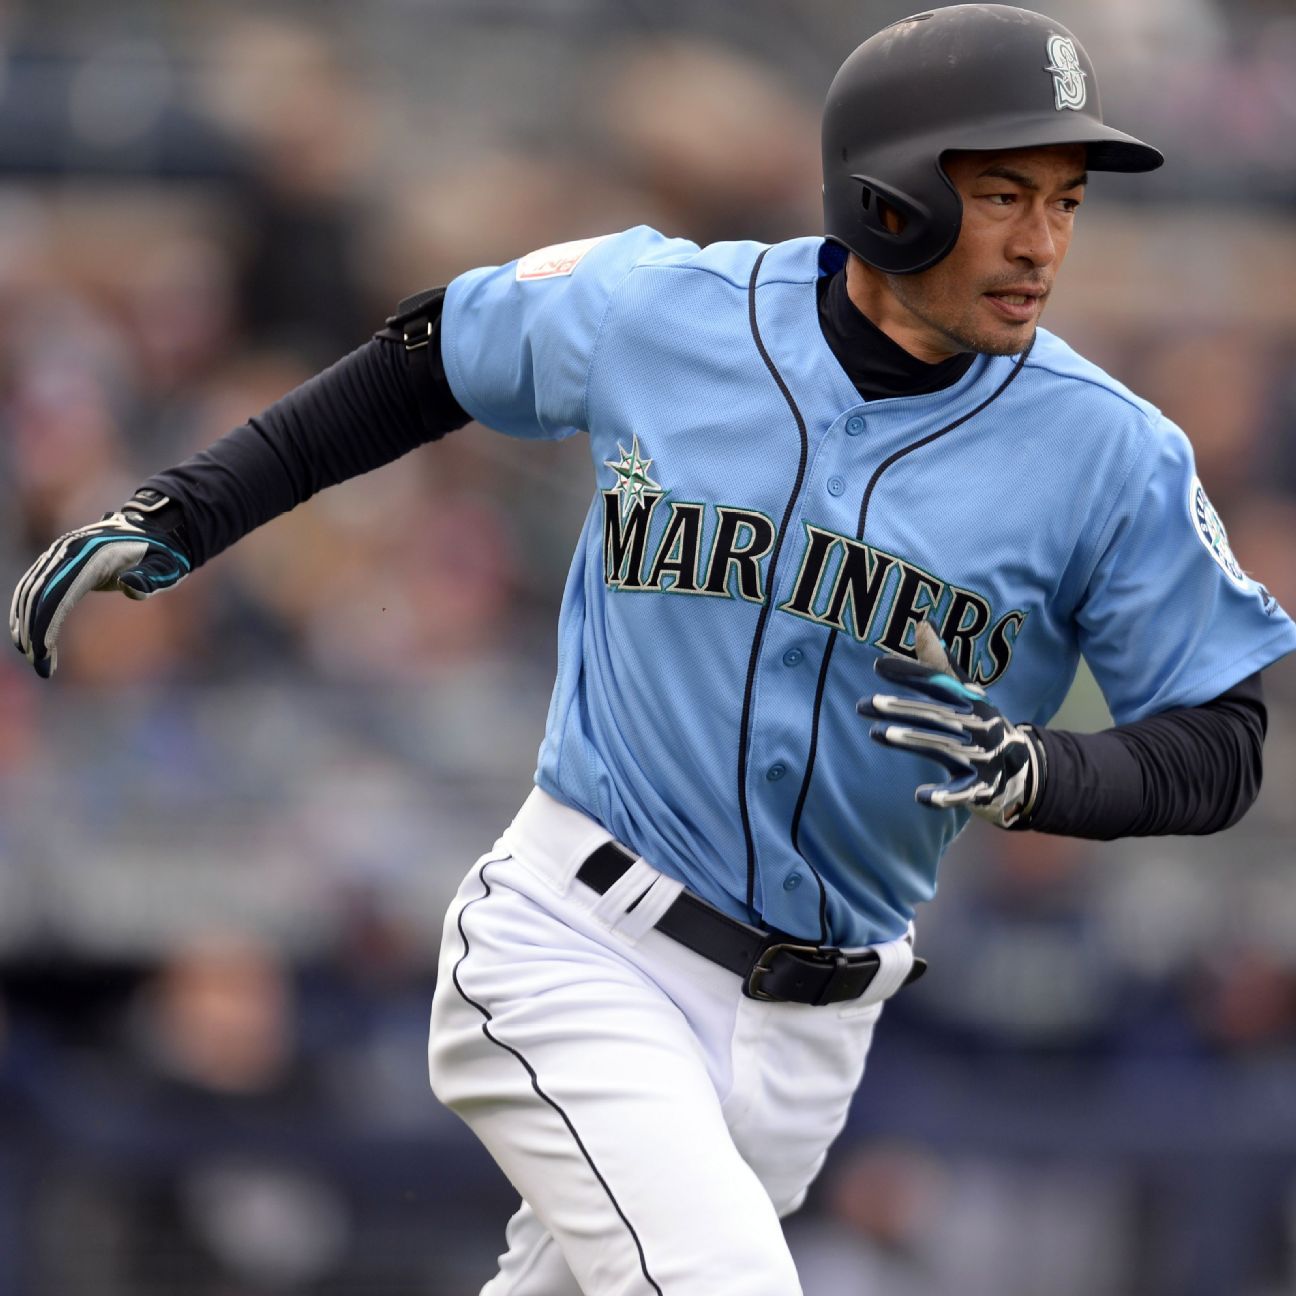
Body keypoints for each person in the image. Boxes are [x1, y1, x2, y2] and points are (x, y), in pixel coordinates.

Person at [11, 6, 1295, 1294]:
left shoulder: (1109, 454)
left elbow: (1224, 742)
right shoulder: (667, 309)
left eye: (1066, 200)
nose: (1045, 241)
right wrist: (189, 505)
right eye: (1007, 192)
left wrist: (1041, 772)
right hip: (580, 943)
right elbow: (432, 354)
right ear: (889, 196)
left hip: (814, 1034)